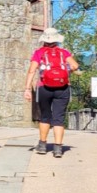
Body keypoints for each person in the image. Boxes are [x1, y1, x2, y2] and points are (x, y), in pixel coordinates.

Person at [25, 29, 79, 158]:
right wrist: (67, 71)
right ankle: (58, 149)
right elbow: (75, 66)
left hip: (44, 88)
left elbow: (32, 70)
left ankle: (42, 145)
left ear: (44, 40)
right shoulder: (64, 52)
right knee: (58, 118)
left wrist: (27, 89)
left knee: (45, 116)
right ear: (57, 40)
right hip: (63, 88)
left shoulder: (39, 52)